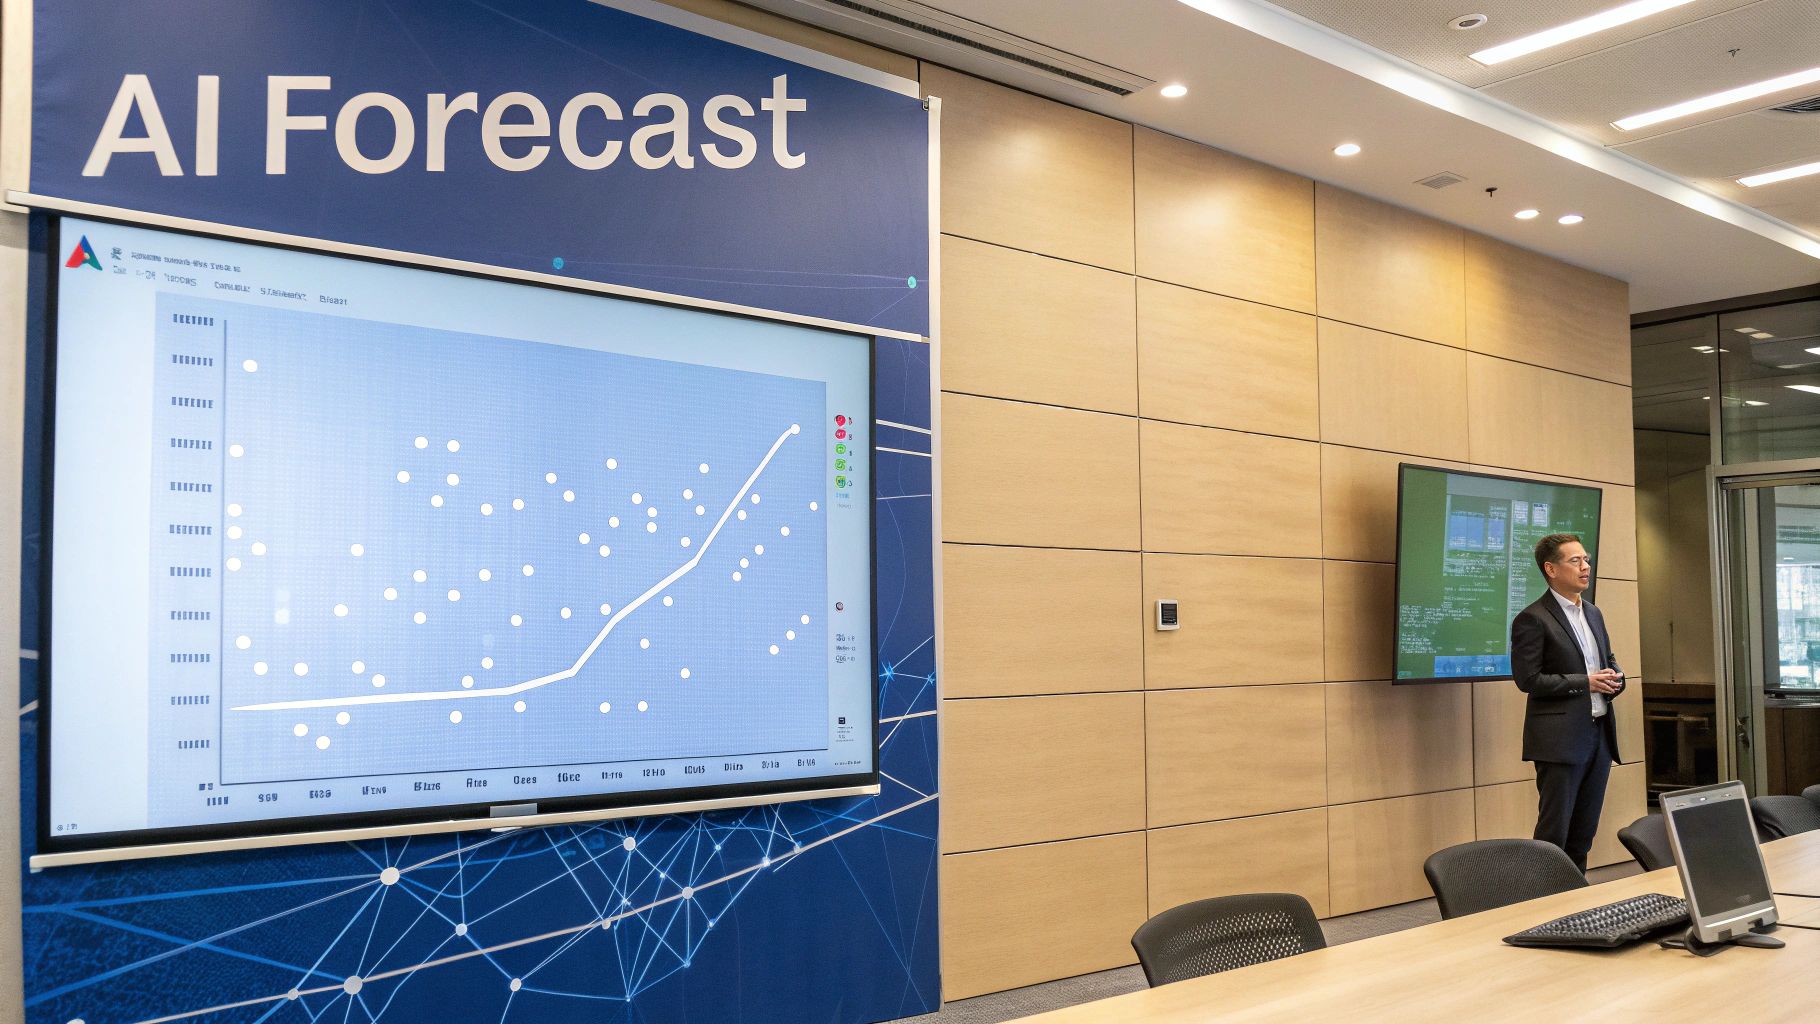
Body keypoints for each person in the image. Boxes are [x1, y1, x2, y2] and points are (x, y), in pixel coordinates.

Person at [1510, 532, 1624, 873]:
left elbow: (1608, 659)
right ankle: (1542, 903)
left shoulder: (1593, 613)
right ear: (1551, 569)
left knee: (1583, 834)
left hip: (1599, 736)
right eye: (1575, 561)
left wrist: (1615, 678)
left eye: (1586, 559)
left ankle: (1575, 903)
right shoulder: (1532, 618)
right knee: (1554, 834)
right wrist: (1586, 683)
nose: (1585, 566)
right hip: (1559, 741)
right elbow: (1528, 680)